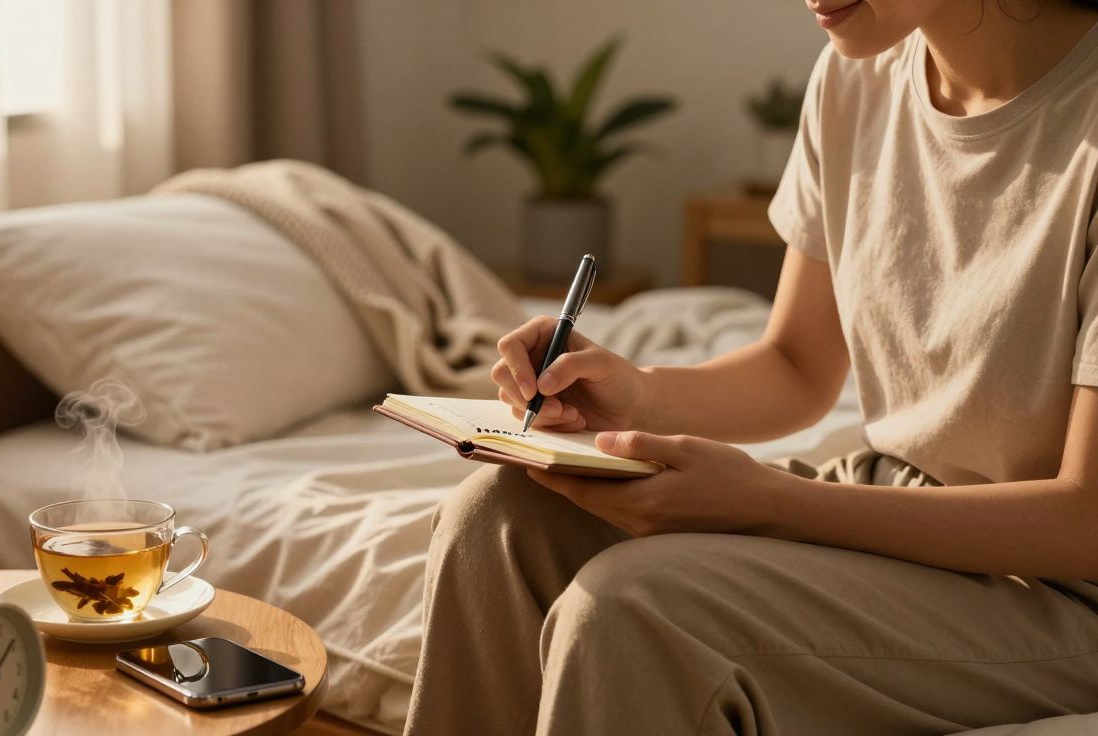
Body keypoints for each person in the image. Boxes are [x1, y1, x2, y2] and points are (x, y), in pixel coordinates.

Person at [403, 1, 1098, 734]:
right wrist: (636, 393)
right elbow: (796, 366)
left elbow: (1086, 519)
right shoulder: (855, 79)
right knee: (499, 522)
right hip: (893, 508)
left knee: (635, 611)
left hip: (1061, 591)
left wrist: (768, 499)